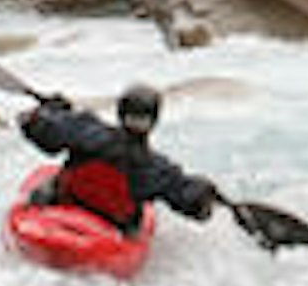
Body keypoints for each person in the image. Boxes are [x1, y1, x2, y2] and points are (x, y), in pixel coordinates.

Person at [18, 82, 217, 233]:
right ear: (154, 120)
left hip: (65, 204)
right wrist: (205, 193)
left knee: (52, 184)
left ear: (120, 112)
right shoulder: (159, 169)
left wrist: (53, 110)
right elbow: (194, 206)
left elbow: (33, 125)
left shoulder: (87, 129)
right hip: (111, 226)